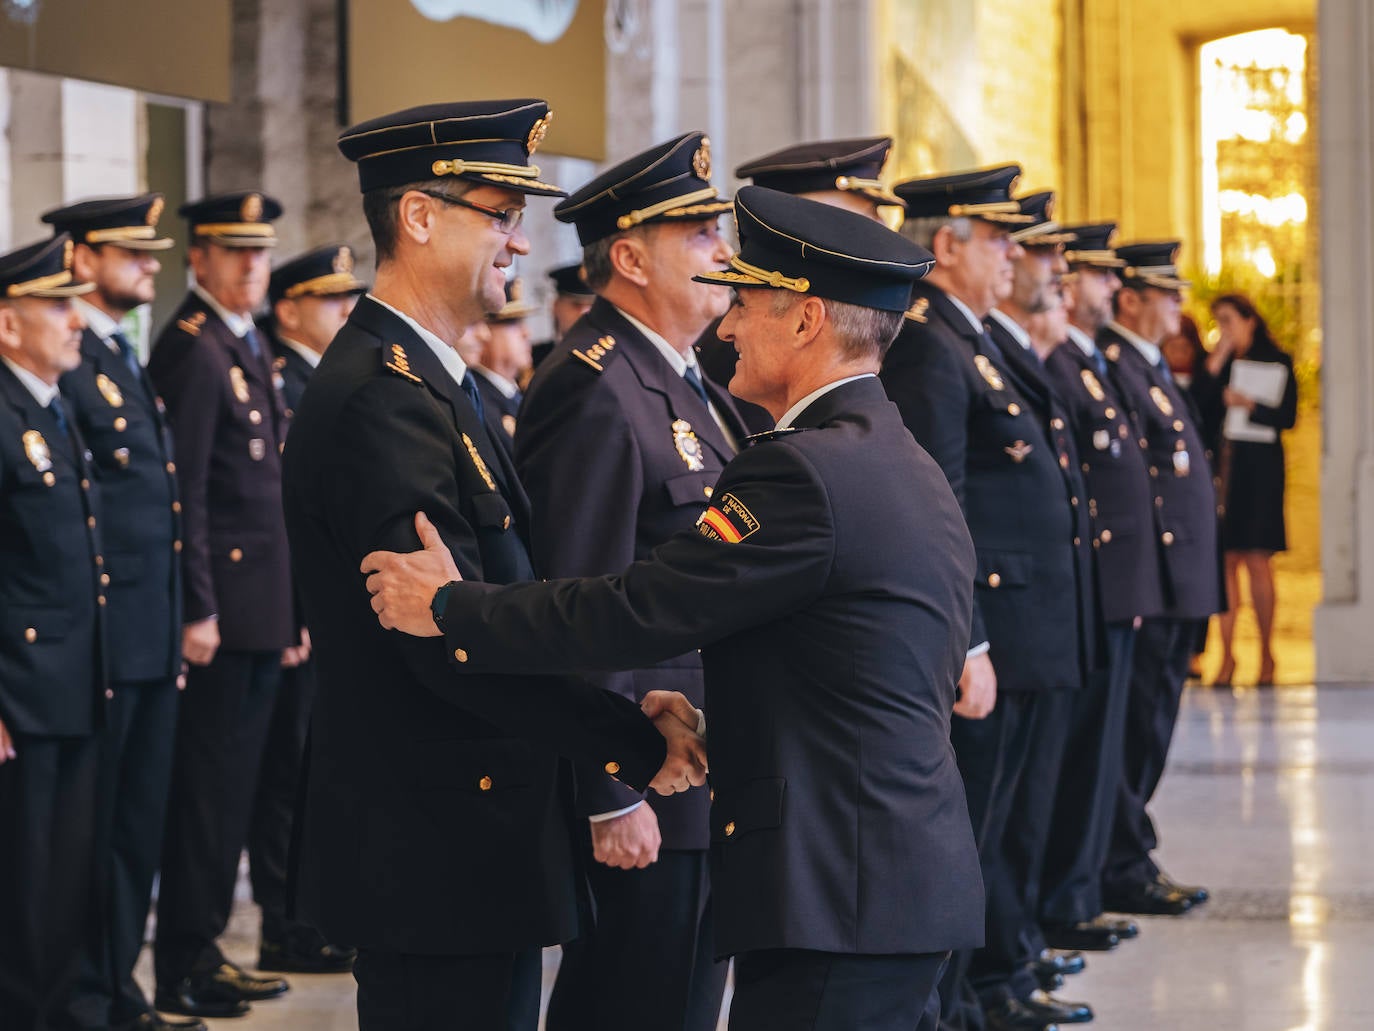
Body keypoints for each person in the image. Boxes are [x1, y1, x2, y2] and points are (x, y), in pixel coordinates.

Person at [361, 184, 983, 1031]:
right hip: (883, 872)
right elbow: (854, 675)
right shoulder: (893, 454)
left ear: (804, 322)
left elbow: (639, 605)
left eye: (748, 303)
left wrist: (452, 607)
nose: (727, 324)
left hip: (842, 884)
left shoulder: (805, 469)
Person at [281, 98, 704, 1031]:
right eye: (500, 214)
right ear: (420, 217)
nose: (518, 242)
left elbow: (505, 598)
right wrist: (629, 744)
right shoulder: (382, 400)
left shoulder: (436, 382)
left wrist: (624, 717)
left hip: (472, 833)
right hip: (432, 842)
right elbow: (450, 644)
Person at [522, 130, 742, 1031]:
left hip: (695, 765)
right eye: (698, 235)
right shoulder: (596, 386)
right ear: (628, 255)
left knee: (683, 1004)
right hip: (646, 778)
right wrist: (610, 789)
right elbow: (578, 602)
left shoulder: (683, 380)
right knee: (632, 1005)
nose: (722, 253)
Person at [41, 195, 194, 1031]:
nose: (149, 265)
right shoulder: (67, 356)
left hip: (149, 630)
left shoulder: (119, 354)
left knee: (136, 829)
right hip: (106, 635)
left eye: (150, 252)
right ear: (78, 256)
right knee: (92, 837)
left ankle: (116, 984)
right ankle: (86, 994)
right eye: (130, 253)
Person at [146, 191, 298, 1020]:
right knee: (206, 797)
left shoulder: (243, 344)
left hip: (257, 610)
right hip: (223, 616)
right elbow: (189, 495)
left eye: (260, 251)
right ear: (196, 258)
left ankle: (204, 944)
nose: (250, 265)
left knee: (232, 794)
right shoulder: (196, 350)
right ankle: (184, 961)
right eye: (232, 250)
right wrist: (198, 606)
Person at [972, 190, 1098, 1028]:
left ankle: (1005, 963)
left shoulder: (980, 342)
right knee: (990, 813)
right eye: (1000, 242)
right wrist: (968, 634)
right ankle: (984, 978)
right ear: (949, 245)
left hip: (1032, 612)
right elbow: (952, 491)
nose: (1019, 259)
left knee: (1017, 804)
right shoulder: (945, 343)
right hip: (998, 616)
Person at [1039, 223, 1163, 959]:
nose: (1110, 288)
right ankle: (1062, 899)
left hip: (1108, 585)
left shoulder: (1087, 363)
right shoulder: (1064, 364)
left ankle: (1075, 891)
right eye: (1092, 275)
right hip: (1084, 589)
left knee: (1098, 750)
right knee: (1078, 757)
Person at [250, 243, 367, 977]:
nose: (347, 313)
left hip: (309, 611)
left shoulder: (316, 376)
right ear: (289, 308)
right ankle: (284, 922)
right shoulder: (281, 374)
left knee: (307, 768)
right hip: (284, 613)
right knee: (284, 775)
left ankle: (305, 917)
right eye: (331, 301)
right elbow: (270, 514)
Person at [0, 234, 106, 1031]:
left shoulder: (50, 404)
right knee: (22, 883)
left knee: (66, 876)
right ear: (9, 323)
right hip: (20, 695)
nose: (76, 320)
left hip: (72, 685)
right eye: (57, 305)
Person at [1097, 242, 1219, 917]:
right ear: (1132, 298)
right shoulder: (1115, 364)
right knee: (1137, 725)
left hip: (1176, 579)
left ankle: (1127, 848)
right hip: (1154, 580)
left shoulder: (1148, 366)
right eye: (1165, 292)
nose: (1178, 304)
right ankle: (1122, 856)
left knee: (1153, 721)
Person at [698, 136, 908, 436]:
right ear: (799, 220)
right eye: (865, 216)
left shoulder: (858, 313)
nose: (883, 227)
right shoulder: (743, 346)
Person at [1198, 293, 1297, 686]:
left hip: (1260, 471)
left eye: (1229, 319)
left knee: (1257, 558)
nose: (1224, 328)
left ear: (1250, 320)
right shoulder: (1219, 365)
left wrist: (1250, 404)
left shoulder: (1278, 361)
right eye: (1218, 321)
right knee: (1226, 561)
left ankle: (1268, 653)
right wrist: (1219, 360)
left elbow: (1286, 416)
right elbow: (1198, 405)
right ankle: (1226, 656)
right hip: (1226, 467)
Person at [472, 275, 537, 440]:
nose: (526, 333)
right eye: (512, 324)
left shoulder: (515, 394)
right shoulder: (476, 398)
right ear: (484, 329)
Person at [529, 262, 595, 371]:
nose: (583, 312)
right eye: (576, 304)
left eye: (591, 305)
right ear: (555, 306)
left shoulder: (614, 357)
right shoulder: (531, 359)